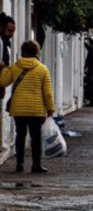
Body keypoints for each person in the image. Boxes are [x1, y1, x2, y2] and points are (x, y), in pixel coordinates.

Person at [0, 40, 55, 173]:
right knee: (35, 137)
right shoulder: (43, 69)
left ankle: (19, 164)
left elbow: (3, 82)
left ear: (23, 52)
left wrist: (3, 69)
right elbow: (47, 92)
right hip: (36, 110)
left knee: (20, 135)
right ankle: (36, 165)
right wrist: (50, 109)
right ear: (37, 52)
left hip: (19, 109)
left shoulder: (15, 67)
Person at [0, 14, 16, 101]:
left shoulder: (5, 43)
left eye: (13, 31)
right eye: (9, 31)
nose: (11, 34)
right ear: (2, 28)